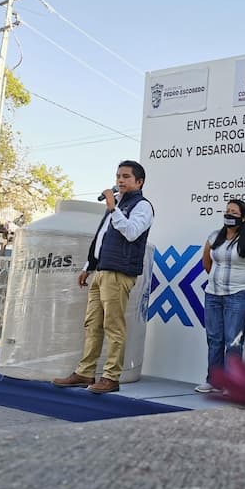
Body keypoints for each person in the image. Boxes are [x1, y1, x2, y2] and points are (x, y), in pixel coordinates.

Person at [52, 160, 154, 394]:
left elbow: (131, 233)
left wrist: (112, 207)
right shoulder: (116, 205)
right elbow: (102, 239)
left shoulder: (142, 207)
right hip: (101, 271)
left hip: (119, 273)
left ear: (139, 182)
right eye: (118, 176)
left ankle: (111, 376)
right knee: (92, 324)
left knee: (113, 325)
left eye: (126, 177)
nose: (120, 180)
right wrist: (88, 266)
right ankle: (85, 371)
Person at [195, 199, 245, 393]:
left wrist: (238, 282)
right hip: (213, 294)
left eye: (233, 212)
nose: (229, 215)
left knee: (233, 340)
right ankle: (214, 380)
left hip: (238, 294)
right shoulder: (214, 236)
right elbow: (206, 262)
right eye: (227, 211)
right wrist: (216, 280)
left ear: (243, 217)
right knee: (214, 338)